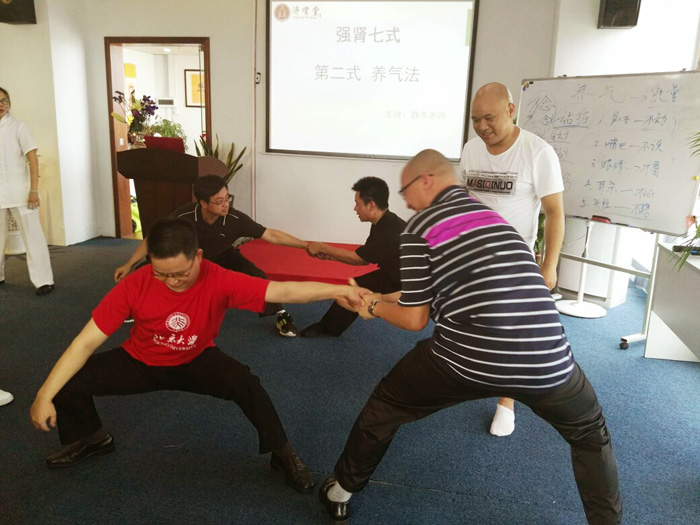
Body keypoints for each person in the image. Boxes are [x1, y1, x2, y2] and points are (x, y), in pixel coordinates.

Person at [319, 150, 621, 524]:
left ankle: (340, 491)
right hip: (549, 361)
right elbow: (430, 292)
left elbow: (414, 319)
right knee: (591, 436)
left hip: (462, 362)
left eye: (406, 191)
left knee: (386, 405)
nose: (406, 202)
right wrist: (380, 296)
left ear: (426, 181)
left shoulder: (419, 228)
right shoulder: (496, 222)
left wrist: (373, 308)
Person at [30, 217, 370, 493]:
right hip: (140, 361)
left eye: (180, 273)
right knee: (66, 382)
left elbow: (283, 290)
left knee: (247, 383)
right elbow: (84, 343)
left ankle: (282, 453)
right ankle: (94, 439)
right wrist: (44, 395)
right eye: (162, 274)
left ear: (199, 256)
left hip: (195, 359)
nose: (172, 282)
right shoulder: (135, 284)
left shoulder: (218, 278)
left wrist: (337, 290)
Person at [459, 82, 565, 437]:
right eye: (476, 119)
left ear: (510, 110)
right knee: (474, 325)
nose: (482, 126)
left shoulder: (538, 152)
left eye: (489, 118)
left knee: (512, 333)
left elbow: (554, 212)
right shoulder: (471, 150)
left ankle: (507, 402)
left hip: (514, 262)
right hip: (472, 258)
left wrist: (549, 265)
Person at [115, 175, 308, 337]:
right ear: (203, 203)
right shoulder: (184, 216)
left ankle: (281, 314)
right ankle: (133, 307)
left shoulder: (234, 218)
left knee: (256, 275)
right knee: (147, 272)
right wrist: (129, 263)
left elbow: (271, 235)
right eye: (219, 201)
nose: (226, 204)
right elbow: (153, 238)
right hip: (191, 260)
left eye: (227, 198)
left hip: (223, 255)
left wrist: (306, 246)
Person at [300, 177, 405, 337]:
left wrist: (323, 247)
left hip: (409, 284)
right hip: (393, 274)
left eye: (357, 203)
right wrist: (329, 256)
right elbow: (364, 258)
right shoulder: (383, 222)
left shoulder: (390, 231)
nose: (355, 208)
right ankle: (329, 327)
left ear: (371, 205)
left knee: (357, 290)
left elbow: (358, 259)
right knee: (355, 287)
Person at [0, 86, 55, 296]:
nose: (1, 105)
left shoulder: (19, 127)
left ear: (9, 103)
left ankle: (44, 280)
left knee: (33, 238)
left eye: (4, 101)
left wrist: (34, 190)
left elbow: (32, 160)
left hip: (21, 193)